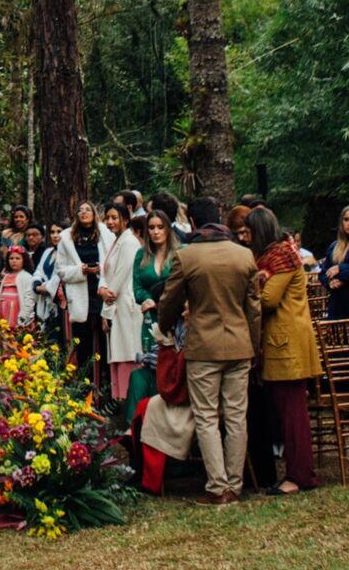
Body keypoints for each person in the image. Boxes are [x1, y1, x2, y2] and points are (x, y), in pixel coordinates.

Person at [155, 196, 260, 506]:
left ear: (195, 223)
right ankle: (236, 484)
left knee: (206, 417)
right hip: (239, 343)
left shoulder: (188, 258)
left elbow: (170, 301)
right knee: (237, 417)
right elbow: (253, 308)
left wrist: (166, 325)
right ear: (220, 219)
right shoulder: (243, 256)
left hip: (203, 345)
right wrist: (254, 346)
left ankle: (218, 486)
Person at [247, 205, 320, 494]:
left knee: (293, 413)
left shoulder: (281, 258)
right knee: (286, 410)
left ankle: (301, 475)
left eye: (249, 232)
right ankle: (296, 471)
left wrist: (248, 289)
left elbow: (268, 299)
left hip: (287, 342)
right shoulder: (274, 256)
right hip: (281, 341)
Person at [54, 202, 112, 384]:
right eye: (81, 210)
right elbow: (62, 270)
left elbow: (113, 262)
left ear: (94, 213)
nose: (84, 213)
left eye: (88, 209)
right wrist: (82, 271)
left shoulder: (105, 234)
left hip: (101, 292)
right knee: (83, 344)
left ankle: (105, 386)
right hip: (80, 293)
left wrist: (99, 270)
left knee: (104, 343)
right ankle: (85, 385)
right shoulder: (67, 238)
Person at [124, 211, 176, 417]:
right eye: (151, 228)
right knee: (150, 360)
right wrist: (146, 298)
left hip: (173, 314)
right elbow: (136, 285)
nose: (155, 232)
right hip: (149, 317)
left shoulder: (180, 251)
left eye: (160, 227)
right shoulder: (142, 254)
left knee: (170, 359)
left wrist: (160, 301)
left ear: (168, 229)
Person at [100, 203, 145, 418]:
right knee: (119, 356)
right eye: (107, 218)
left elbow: (117, 281)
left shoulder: (129, 243)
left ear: (125, 219)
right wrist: (102, 289)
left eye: (114, 218)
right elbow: (105, 273)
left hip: (125, 306)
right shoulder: (116, 241)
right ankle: (123, 407)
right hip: (114, 304)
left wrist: (106, 300)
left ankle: (131, 412)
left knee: (128, 354)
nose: (110, 222)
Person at [0, 246, 34, 328]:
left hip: (17, 313)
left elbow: (29, 298)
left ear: (24, 260)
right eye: (11, 258)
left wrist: (24, 316)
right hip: (4, 311)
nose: (14, 261)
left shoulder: (27, 277)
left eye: (17, 258)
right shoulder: (6, 276)